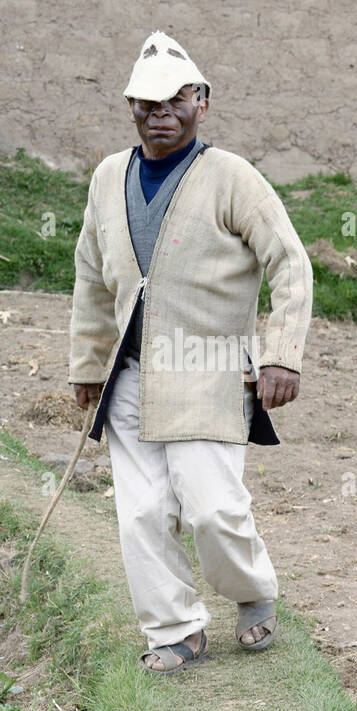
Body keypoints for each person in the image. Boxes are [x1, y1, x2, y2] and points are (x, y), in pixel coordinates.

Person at [67, 30, 313, 674]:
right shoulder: (106, 178)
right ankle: (176, 629)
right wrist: (89, 367)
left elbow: (290, 263)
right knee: (142, 511)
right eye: (146, 103)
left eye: (176, 99)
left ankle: (252, 591)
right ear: (130, 108)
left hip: (209, 369)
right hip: (130, 374)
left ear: (202, 101)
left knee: (212, 507)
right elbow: (91, 277)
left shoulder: (231, 177)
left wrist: (281, 353)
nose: (160, 113)